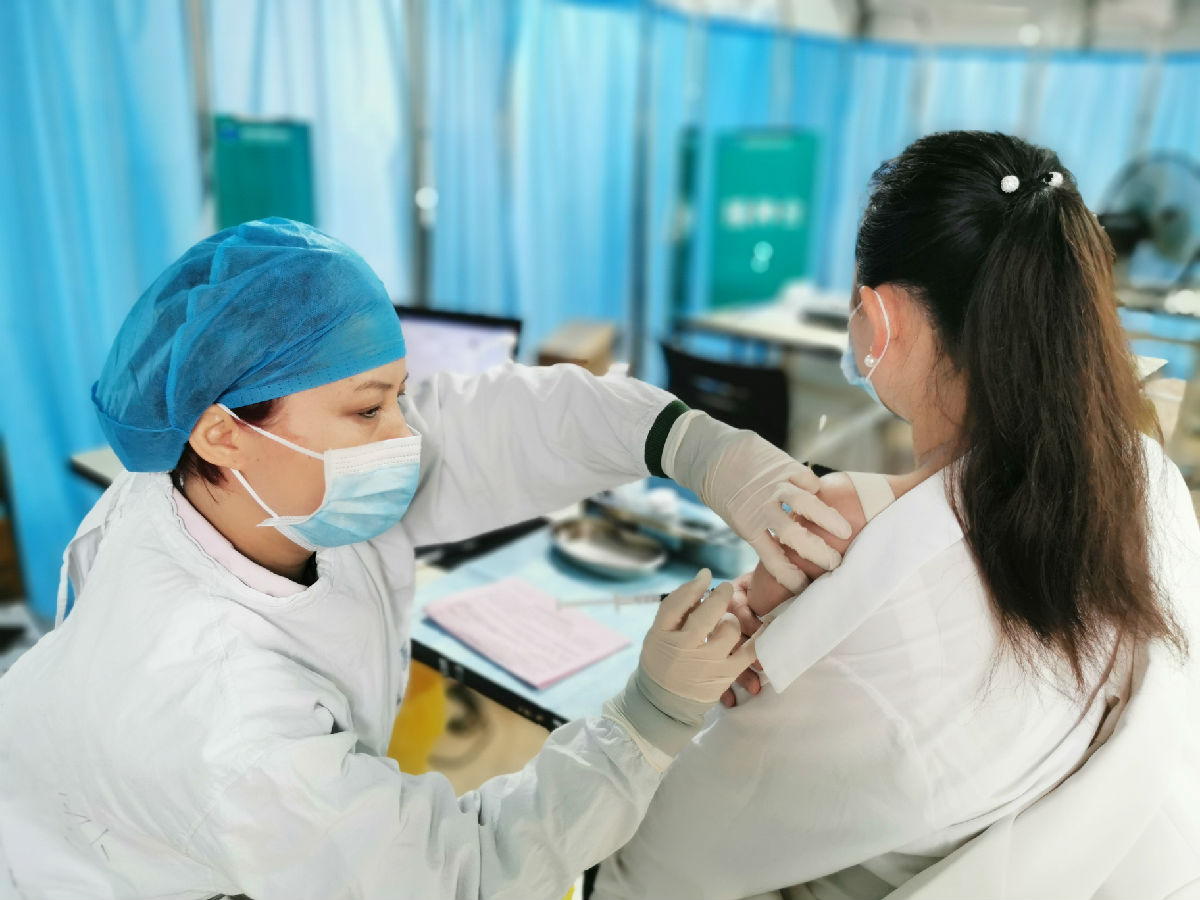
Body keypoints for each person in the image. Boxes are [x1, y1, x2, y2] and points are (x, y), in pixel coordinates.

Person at [0, 219, 852, 899]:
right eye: (369, 409)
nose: (406, 437)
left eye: (400, 396)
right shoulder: (226, 722)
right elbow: (460, 874)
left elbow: (502, 423)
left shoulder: (248, 485)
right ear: (222, 432)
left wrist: (691, 446)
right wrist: (647, 720)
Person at [594, 131, 1200, 899]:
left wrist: (663, 705)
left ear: (877, 318)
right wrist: (891, 498)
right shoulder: (1149, 482)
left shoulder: (865, 623)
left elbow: (654, 866)